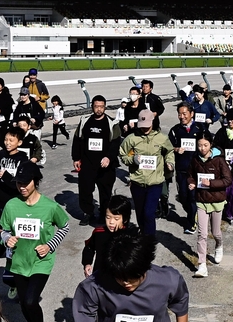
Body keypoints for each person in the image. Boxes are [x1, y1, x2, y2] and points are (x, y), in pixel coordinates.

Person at [0, 161, 69, 322]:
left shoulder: (50, 206)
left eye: (25, 183)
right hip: (19, 261)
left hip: (41, 261)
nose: (21, 187)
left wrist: (49, 245)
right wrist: (7, 239)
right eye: (18, 183)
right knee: (24, 302)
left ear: (35, 181)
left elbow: (64, 227)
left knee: (31, 299)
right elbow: (3, 230)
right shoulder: (12, 205)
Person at [119, 109, 174, 240]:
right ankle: (143, 235)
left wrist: (170, 163)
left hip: (155, 183)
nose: (144, 129)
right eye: (142, 126)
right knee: (140, 214)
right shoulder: (132, 138)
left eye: (147, 126)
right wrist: (132, 160)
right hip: (137, 182)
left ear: (152, 123)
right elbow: (122, 153)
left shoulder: (161, 138)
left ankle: (149, 241)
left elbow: (169, 151)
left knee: (149, 213)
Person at [187, 131, 232, 277]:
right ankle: (202, 265)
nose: (202, 148)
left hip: (217, 200)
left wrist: (211, 183)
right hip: (201, 200)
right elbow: (190, 175)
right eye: (199, 145)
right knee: (202, 234)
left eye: (205, 145)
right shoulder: (195, 159)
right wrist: (192, 183)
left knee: (215, 232)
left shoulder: (219, 160)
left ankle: (219, 246)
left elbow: (227, 180)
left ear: (210, 145)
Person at [72, 95, 121, 225]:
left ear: (105, 107)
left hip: (105, 165)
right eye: (96, 106)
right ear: (92, 107)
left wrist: (109, 158)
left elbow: (116, 143)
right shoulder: (85, 121)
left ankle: (104, 213)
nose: (98, 109)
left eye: (101, 107)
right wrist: (76, 158)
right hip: (88, 163)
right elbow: (77, 139)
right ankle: (88, 212)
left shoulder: (112, 123)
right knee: (85, 190)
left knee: (105, 191)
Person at [168, 103, 205, 234]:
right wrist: (175, 149)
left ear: (191, 114)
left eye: (184, 114)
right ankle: (192, 214)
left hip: (196, 169)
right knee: (183, 197)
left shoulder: (200, 128)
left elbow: (207, 144)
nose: (182, 117)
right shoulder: (175, 130)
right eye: (179, 114)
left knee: (193, 197)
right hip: (182, 169)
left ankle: (192, 223)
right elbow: (167, 147)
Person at [0, 127, 28, 228]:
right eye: (6, 140)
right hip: (2, 195)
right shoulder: (1, 154)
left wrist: (6, 176)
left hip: (15, 197)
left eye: (11, 140)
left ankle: (12, 241)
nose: (7, 143)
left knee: (14, 223)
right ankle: (4, 239)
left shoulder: (22, 158)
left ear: (19, 143)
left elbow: (21, 180)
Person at [81, 194, 132, 277]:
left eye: (116, 219)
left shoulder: (131, 237)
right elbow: (89, 248)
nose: (111, 222)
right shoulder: (99, 233)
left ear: (125, 219)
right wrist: (87, 263)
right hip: (100, 277)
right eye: (108, 217)